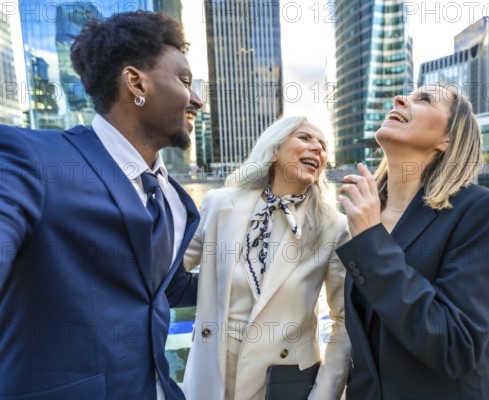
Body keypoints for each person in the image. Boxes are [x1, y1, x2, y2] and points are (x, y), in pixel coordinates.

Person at [0, 12, 203, 400]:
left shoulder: (177, 202)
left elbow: (164, 289)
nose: (197, 99)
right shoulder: (32, 160)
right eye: (184, 81)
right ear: (135, 82)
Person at [336, 84, 489, 399]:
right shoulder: (367, 210)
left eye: (425, 99)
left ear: (448, 139)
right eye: (408, 95)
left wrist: (371, 243)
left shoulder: (481, 209)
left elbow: (458, 347)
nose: (400, 99)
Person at [183, 117, 351, 400]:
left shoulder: (333, 226)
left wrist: (324, 394)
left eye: (322, 145)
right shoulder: (220, 204)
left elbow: (344, 319)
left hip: (282, 379)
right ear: (274, 150)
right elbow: (167, 272)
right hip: (212, 371)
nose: (317, 148)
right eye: (305, 138)